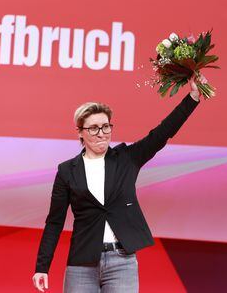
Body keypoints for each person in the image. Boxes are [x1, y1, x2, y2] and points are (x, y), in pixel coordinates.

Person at [32, 80, 201, 292]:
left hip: (122, 262)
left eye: (105, 126)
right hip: (82, 263)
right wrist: (42, 267)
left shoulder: (126, 158)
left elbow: (161, 134)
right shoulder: (67, 171)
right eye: (93, 128)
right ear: (80, 132)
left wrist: (192, 98)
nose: (101, 133)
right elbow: (54, 222)